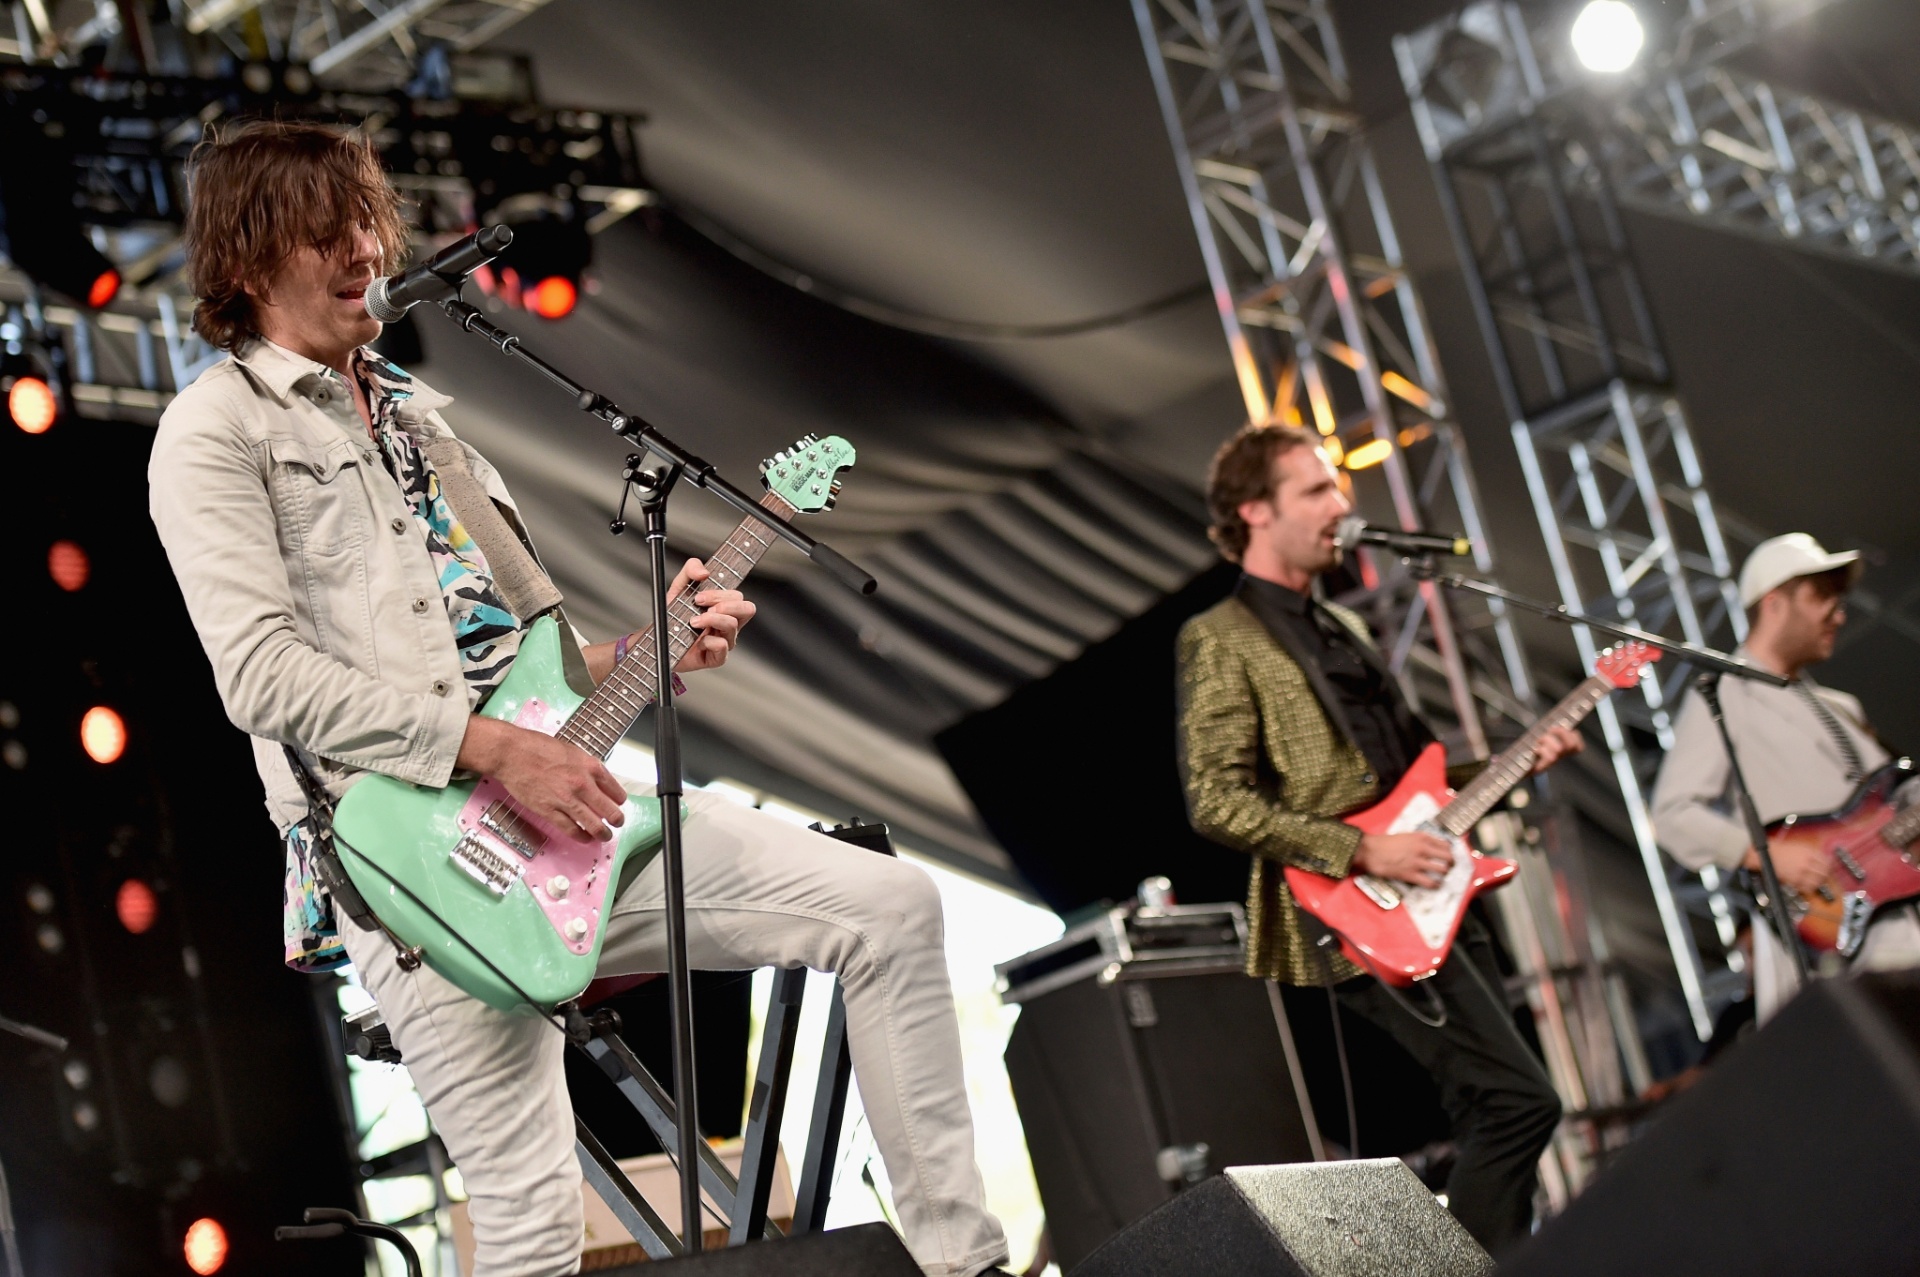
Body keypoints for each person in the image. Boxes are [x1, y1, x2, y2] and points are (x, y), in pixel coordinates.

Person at [147, 121, 1010, 1277]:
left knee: (892, 909)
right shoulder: (215, 428)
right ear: (248, 260)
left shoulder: (423, 423)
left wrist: (651, 651)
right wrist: (498, 750)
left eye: (368, 222)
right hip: (411, 861)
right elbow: (259, 674)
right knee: (533, 1223)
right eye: (324, 233)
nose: (364, 248)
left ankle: (969, 1265)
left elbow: (524, 660)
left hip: (567, 802)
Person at [1174, 423, 1582, 1256]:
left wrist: (1516, 761)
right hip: (1355, 904)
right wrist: (1362, 852)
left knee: (1490, 1107)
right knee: (1519, 1101)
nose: (1341, 503)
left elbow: (1412, 780)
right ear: (1255, 510)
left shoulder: (1343, 631)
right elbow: (1214, 799)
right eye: (1316, 489)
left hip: (1433, 884)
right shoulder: (1219, 635)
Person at [1652, 533, 1920, 1022]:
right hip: (1818, 935)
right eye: (1821, 596)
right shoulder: (1724, 693)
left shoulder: (1843, 708)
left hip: (1897, 919)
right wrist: (1766, 852)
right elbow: (1673, 813)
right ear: (1773, 604)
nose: (1839, 613)